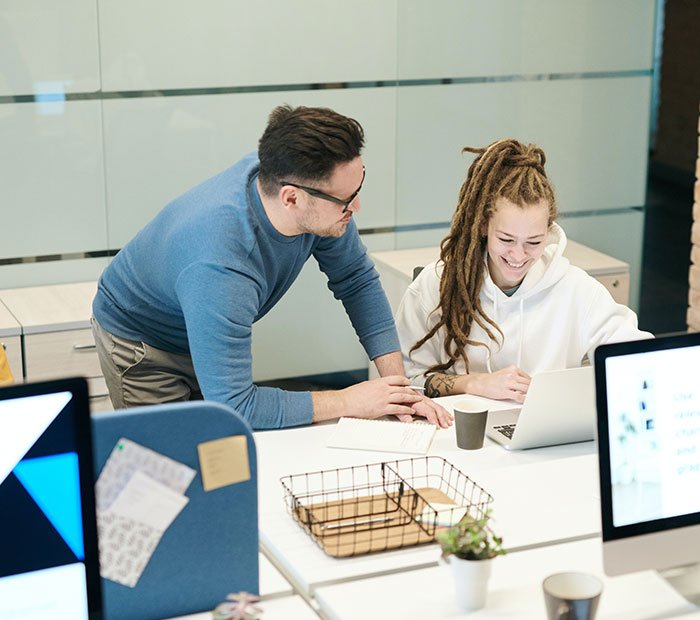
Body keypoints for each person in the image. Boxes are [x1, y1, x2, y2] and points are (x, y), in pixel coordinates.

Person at [92, 104, 452, 430]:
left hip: (201, 318)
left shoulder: (306, 193)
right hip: (145, 342)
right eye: (346, 199)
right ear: (291, 197)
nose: (356, 207)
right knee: (172, 466)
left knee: (220, 451)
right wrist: (349, 401)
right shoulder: (222, 263)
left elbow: (356, 280)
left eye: (358, 188)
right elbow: (235, 405)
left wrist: (400, 391)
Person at [395, 138, 652, 403]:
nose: (518, 255)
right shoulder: (435, 285)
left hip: (548, 425)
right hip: (457, 426)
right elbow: (407, 381)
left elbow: (638, 360)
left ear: (548, 232)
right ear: (483, 225)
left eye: (534, 242)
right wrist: (476, 383)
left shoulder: (577, 290)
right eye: (506, 239)